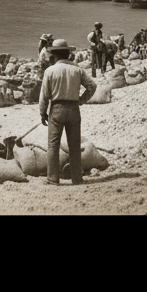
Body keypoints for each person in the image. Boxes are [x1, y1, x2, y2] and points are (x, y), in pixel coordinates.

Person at [39, 39, 97, 185]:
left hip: (57, 109)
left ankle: (53, 178)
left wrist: (42, 112)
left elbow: (44, 95)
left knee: (53, 145)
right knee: (74, 145)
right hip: (73, 109)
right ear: (67, 54)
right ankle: (77, 178)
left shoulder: (50, 71)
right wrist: (81, 100)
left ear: (54, 55)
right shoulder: (77, 70)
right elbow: (92, 86)